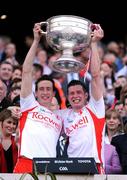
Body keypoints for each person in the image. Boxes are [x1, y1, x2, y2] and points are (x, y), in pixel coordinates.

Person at [55, 24, 105, 173]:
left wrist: (94, 44)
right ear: (68, 97)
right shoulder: (63, 115)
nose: (75, 96)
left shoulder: (95, 109)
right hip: (70, 168)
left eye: (78, 92)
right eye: (71, 93)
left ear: (86, 95)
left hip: (94, 166)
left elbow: (95, 76)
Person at [13, 23, 63, 173]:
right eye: (41, 89)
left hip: (50, 168)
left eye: (48, 89)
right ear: (35, 93)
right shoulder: (29, 105)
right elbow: (26, 71)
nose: (45, 92)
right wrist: (36, 41)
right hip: (26, 162)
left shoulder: (61, 117)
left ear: (54, 93)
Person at [0, 108, 18, 173]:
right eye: (9, 122)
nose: (11, 126)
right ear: (1, 122)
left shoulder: (17, 141)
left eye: (14, 123)